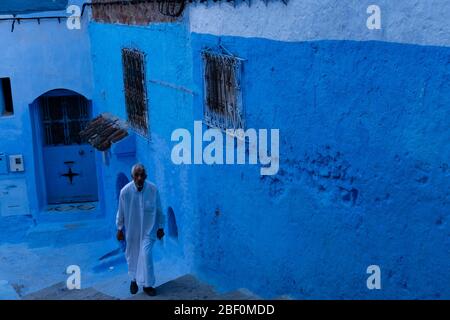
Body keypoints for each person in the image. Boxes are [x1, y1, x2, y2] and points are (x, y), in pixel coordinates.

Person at [116, 163, 165, 296]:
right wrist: (119, 228)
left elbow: (159, 209)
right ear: (132, 176)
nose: (139, 178)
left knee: (146, 255)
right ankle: (133, 279)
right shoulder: (125, 192)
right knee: (133, 255)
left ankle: (148, 285)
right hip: (132, 230)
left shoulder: (153, 189)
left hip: (149, 231)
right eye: (136, 175)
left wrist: (161, 227)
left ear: (146, 176)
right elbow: (120, 212)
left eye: (141, 175)